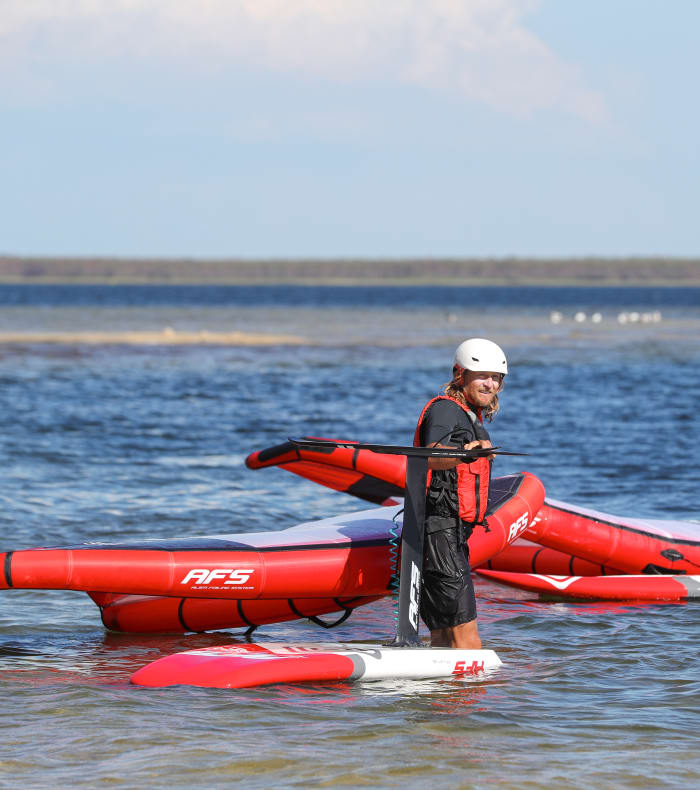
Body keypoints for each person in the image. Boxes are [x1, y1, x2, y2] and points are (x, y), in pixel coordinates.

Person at [414, 338, 507, 649]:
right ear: (460, 375)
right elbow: (429, 455)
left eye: (496, 378)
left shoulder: (471, 417)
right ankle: (474, 695)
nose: (490, 384)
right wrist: (466, 453)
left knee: (443, 637)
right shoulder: (445, 410)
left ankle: (440, 696)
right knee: (468, 640)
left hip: (448, 534)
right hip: (440, 534)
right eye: (482, 376)